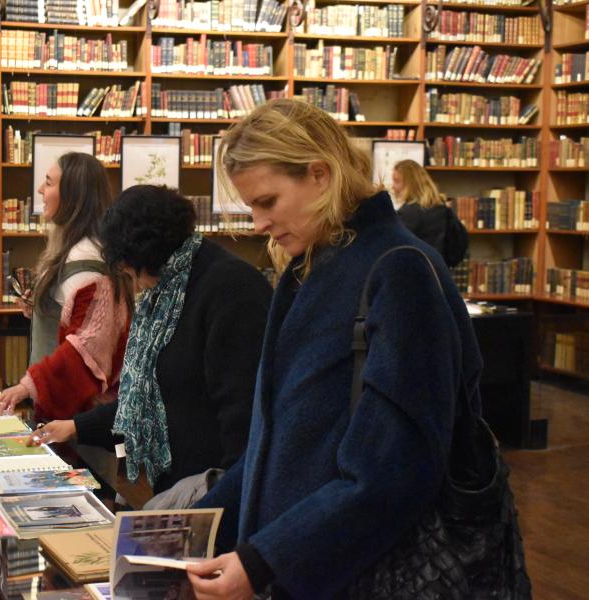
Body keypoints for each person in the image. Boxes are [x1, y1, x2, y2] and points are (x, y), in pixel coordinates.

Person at [184, 99, 484, 599]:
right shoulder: (310, 266)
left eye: (268, 202)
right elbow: (276, 440)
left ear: (320, 176)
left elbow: (394, 469)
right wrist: (194, 527)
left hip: (363, 574)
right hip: (304, 567)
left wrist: (265, 562)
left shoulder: (398, 271)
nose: (258, 224)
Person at [30, 185, 273, 500]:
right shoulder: (170, 291)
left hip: (215, 494)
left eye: (130, 272)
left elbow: (242, 420)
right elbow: (150, 396)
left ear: (144, 257)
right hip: (179, 485)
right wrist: (75, 427)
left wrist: (220, 506)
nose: (134, 284)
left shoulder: (230, 292)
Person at [0, 152, 131, 421]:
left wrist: (27, 386)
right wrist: (41, 307)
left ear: (72, 196)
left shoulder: (87, 258)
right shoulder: (78, 249)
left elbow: (88, 346)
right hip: (66, 411)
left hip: (78, 420)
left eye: (49, 182)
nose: (40, 189)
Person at [391, 159, 468, 267]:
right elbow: (460, 245)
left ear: (410, 183)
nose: (393, 186)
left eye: (397, 181)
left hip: (415, 275)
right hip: (439, 274)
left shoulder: (407, 214)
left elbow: (395, 252)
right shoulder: (443, 209)